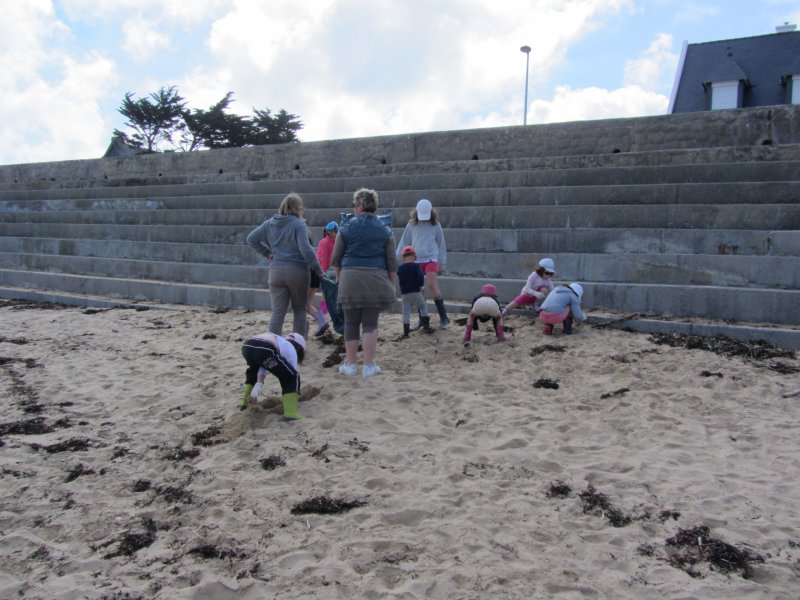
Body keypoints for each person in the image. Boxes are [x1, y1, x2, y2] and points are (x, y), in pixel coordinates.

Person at [331, 188, 398, 377]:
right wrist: (392, 285)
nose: (353, 208)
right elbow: (392, 263)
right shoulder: (385, 230)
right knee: (370, 323)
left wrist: (339, 277)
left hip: (350, 278)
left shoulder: (345, 228)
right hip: (375, 279)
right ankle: (369, 366)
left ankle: (350, 365)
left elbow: (336, 258)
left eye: (354, 205)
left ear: (360, 205)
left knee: (351, 323)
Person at [246, 193, 324, 338]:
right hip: (297, 271)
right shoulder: (298, 224)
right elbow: (306, 250)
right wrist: (318, 270)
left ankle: (272, 344)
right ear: (298, 208)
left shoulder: (269, 223)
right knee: (299, 310)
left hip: (276, 271)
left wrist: (267, 253)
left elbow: (251, 239)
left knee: (277, 312)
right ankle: (297, 345)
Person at [396, 198, 450, 328]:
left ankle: (444, 318)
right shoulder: (411, 224)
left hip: (431, 259)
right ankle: (423, 319)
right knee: (418, 289)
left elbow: (441, 243)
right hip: (417, 260)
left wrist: (442, 261)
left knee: (432, 284)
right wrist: (398, 257)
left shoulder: (435, 225)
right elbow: (404, 241)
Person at [241, 331, 306, 419]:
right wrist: (293, 393)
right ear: (299, 348)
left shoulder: (280, 341)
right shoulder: (291, 349)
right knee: (292, 377)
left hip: (247, 346)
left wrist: (259, 382)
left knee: (254, 370)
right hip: (265, 348)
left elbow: (263, 363)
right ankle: (291, 413)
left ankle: (245, 403)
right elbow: (291, 373)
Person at [397, 245, 434, 337]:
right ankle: (426, 325)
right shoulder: (416, 266)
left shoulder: (400, 268)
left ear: (403, 257)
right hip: (415, 292)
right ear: (414, 256)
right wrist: (421, 286)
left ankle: (406, 333)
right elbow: (420, 276)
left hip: (404, 294)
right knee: (423, 306)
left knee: (406, 312)